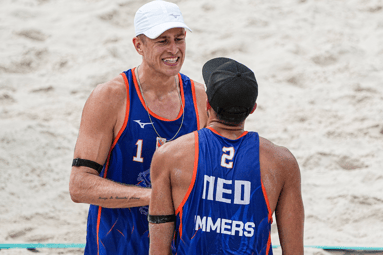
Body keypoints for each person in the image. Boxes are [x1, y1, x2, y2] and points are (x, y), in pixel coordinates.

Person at [69, 0, 208, 254]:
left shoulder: (200, 98)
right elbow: (79, 186)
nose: (174, 49)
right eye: (162, 41)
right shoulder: (110, 97)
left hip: (179, 245)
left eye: (179, 38)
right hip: (116, 244)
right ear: (139, 45)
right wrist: (155, 197)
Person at [149, 57, 304, 255]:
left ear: (207, 104)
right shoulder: (282, 162)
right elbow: (294, 251)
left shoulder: (169, 156)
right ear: (253, 109)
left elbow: (158, 250)